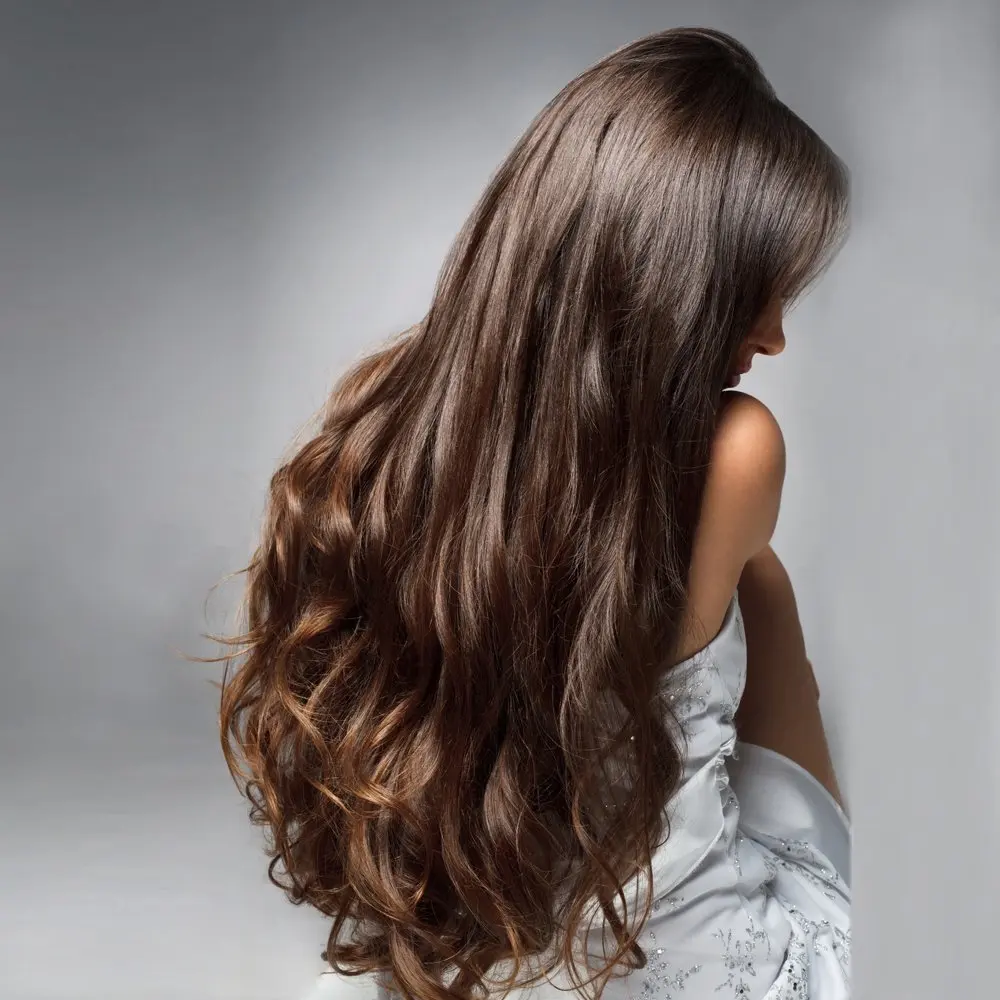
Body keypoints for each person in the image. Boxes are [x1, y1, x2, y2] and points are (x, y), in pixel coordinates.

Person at [209, 25, 852, 1000]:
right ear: (666, 283)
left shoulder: (379, 432)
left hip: (470, 953)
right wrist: (749, 577)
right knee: (762, 589)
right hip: (679, 959)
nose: (772, 338)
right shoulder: (738, 448)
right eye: (751, 294)